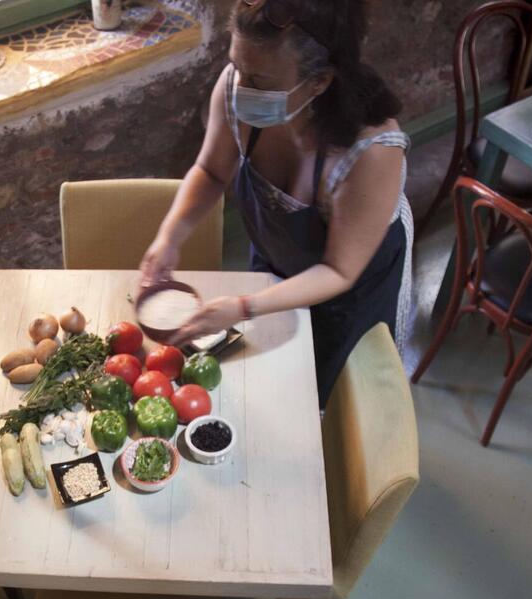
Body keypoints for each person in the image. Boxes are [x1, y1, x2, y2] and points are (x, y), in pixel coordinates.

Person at [140, 0, 413, 406]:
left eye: (261, 81)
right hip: (278, 260)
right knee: (274, 371)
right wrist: (170, 237)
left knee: (332, 393)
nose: (241, 88)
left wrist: (245, 306)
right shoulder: (237, 89)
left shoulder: (372, 151)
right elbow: (212, 171)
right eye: (238, 67)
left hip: (350, 286)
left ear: (319, 82)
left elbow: (339, 270)